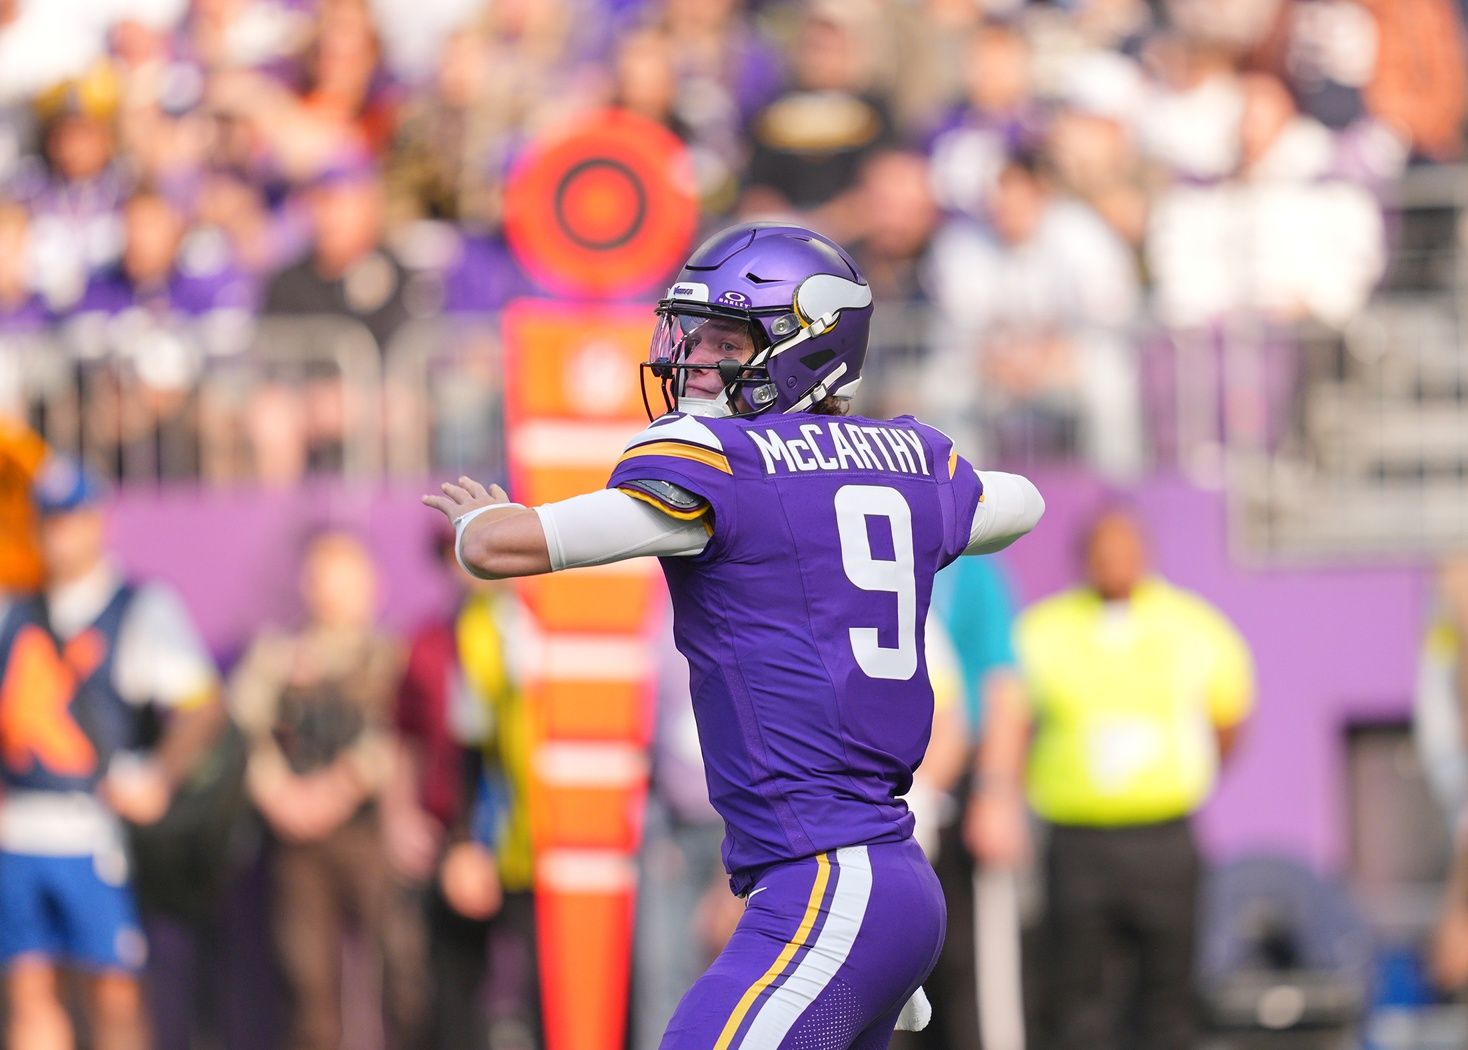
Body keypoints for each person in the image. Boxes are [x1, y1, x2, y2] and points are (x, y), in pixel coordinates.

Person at [424, 221, 1045, 1049]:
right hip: (876, 878)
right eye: (694, 334)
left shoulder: (725, 469)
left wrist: (476, 525)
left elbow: (504, 548)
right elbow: (1018, 501)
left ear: (806, 345)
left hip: (831, 879)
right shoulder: (912, 460)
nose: (696, 360)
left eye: (725, 339)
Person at [986, 506, 1255, 1050]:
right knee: (1078, 997)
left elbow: (1229, 718)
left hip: (1163, 837)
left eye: (1125, 550)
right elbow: (1012, 718)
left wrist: (1184, 777)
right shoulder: (1046, 628)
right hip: (1077, 841)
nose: (1114, 563)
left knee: (1167, 993)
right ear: (1085, 559)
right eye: (1103, 551)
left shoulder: (1191, 626)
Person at [0, 457, 225, 1050]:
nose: (60, 533)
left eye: (71, 518)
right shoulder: (12, 612)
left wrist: (159, 776)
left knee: (115, 994)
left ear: (99, 520)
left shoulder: (140, 607)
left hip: (96, 830)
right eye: (48, 520)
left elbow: (201, 706)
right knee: (28, 989)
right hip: (19, 829)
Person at [227, 530, 414, 1050]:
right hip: (298, 844)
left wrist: (340, 787)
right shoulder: (277, 656)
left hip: (370, 836)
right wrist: (280, 794)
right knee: (307, 985)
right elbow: (243, 730)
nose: (332, 591)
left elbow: (399, 734)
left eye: (345, 578)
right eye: (322, 577)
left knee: (399, 977)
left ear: (371, 585)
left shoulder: (391, 654)